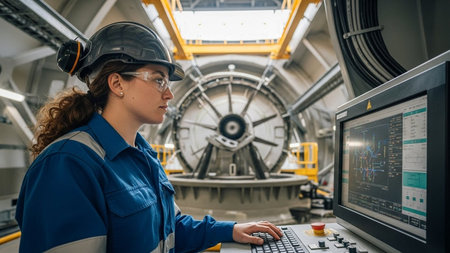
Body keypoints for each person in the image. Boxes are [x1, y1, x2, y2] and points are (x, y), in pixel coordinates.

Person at [15, 21, 283, 253]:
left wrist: (230, 230)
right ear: (117, 84)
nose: (169, 94)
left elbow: (169, 229)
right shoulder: (68, 165)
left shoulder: (143, 156)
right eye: (158, 80)